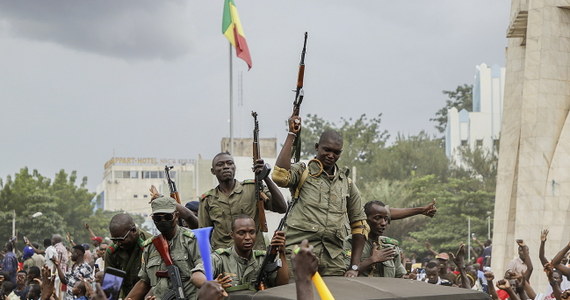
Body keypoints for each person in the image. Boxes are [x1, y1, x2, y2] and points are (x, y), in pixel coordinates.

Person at [272, 121, 368, 277]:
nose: (331, 155)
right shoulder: (303, 171)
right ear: (317, 147)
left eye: (336, 152)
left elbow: (360, 226)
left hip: (333, 262)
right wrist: (292, 134)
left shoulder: (347, 184)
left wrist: (354, 267)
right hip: (297, 254)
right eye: (327, 150)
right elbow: (279, 176)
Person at [199, 152, 287, 250]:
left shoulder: (252, 188)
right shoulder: (207, 200)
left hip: (254, 255)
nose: (226, 167)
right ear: (213, 171)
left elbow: (282, 207)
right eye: (220, 165)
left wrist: (265, 176)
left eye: (229, 163)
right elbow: (203, 236)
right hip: (224, 259)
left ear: (234, 167)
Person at [125, 196, 203, 300]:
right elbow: (144, 281)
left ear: (176, 216)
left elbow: (205, 273)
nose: (162, 221)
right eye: (157, 218)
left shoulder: (192, 240)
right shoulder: (150, 247)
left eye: (167, 217)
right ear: (153, 219)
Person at [191, 215, 289, 292]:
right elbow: (196, 276)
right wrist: (210, 284)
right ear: (232, 235)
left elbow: (282, 284)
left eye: (252, 232)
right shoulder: (220, 258)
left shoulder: (263, 258)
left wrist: (281, 253)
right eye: (241, 233)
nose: (247, 237)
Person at [350, 201, 406, 278]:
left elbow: (399, 276)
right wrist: (371, 260)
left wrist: (409, 278)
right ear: (365, 219)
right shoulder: (351, 243)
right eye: (377, 218)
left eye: (386, 219)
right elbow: (347, 273)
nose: (383, 223)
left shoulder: (390, 246)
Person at [104, 213, 149, 297]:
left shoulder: (150, 245)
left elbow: (150, 282)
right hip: (127, 295)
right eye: (114, 240)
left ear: (133, 231)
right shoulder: (112, 252)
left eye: (121, 239)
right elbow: (111, 288)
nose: (118, 243)